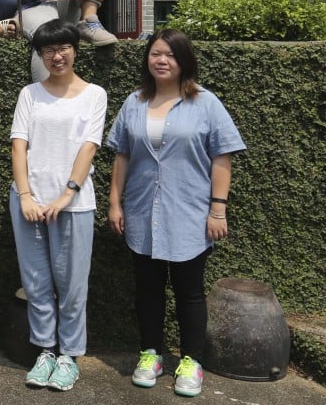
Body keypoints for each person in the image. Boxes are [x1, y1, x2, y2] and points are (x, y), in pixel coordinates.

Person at [106, 28, 246, 398]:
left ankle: (191, 361)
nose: (162, 60)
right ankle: (151, 354)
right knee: (147, 289)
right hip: (141, 211)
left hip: (189, 212)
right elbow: (122, 155)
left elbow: (222, 157)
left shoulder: (206, 103)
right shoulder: (134, 102)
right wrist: (115, 202)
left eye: (170, 54)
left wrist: (218, 209)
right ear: (147, 59)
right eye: (156, 53)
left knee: (190, 291)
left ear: (184, 60)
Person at [9, 20, 106, 392]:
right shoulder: (30, 94)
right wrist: (25, 196)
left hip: (74, 205)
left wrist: (67, 194)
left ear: (75, 50)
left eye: (63, 47)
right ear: (40, 55)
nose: (56, 56)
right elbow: (19, 145)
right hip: (29, 203)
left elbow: (89, 147)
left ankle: (69, 356)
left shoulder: (94, 95)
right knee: (36, 284)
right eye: (48, 50)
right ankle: (46, 351)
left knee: (71, 286)